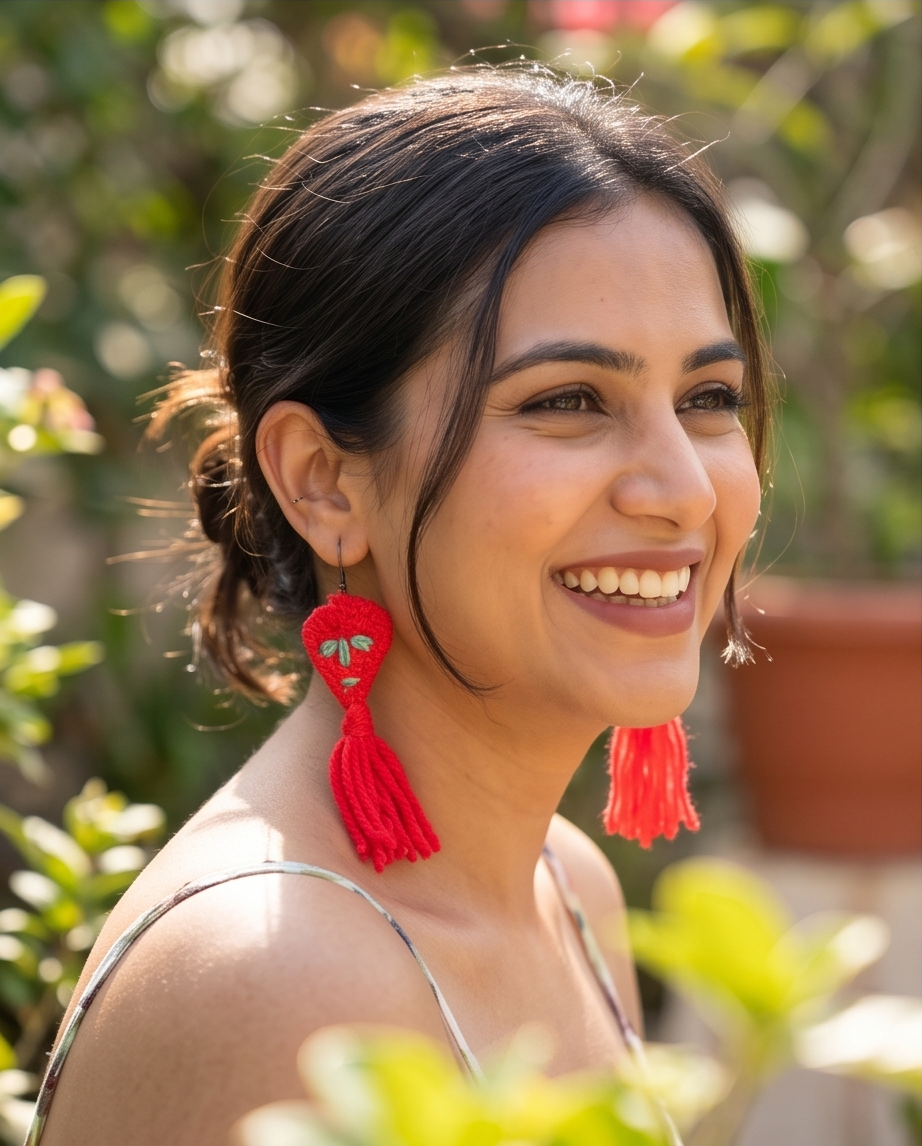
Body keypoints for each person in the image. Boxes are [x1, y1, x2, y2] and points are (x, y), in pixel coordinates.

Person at [34, 66, 769, 1146]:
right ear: (324, 481)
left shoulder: (567, 888)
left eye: (708, 398)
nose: (685, 491)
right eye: (568, 400)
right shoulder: (278, 977)